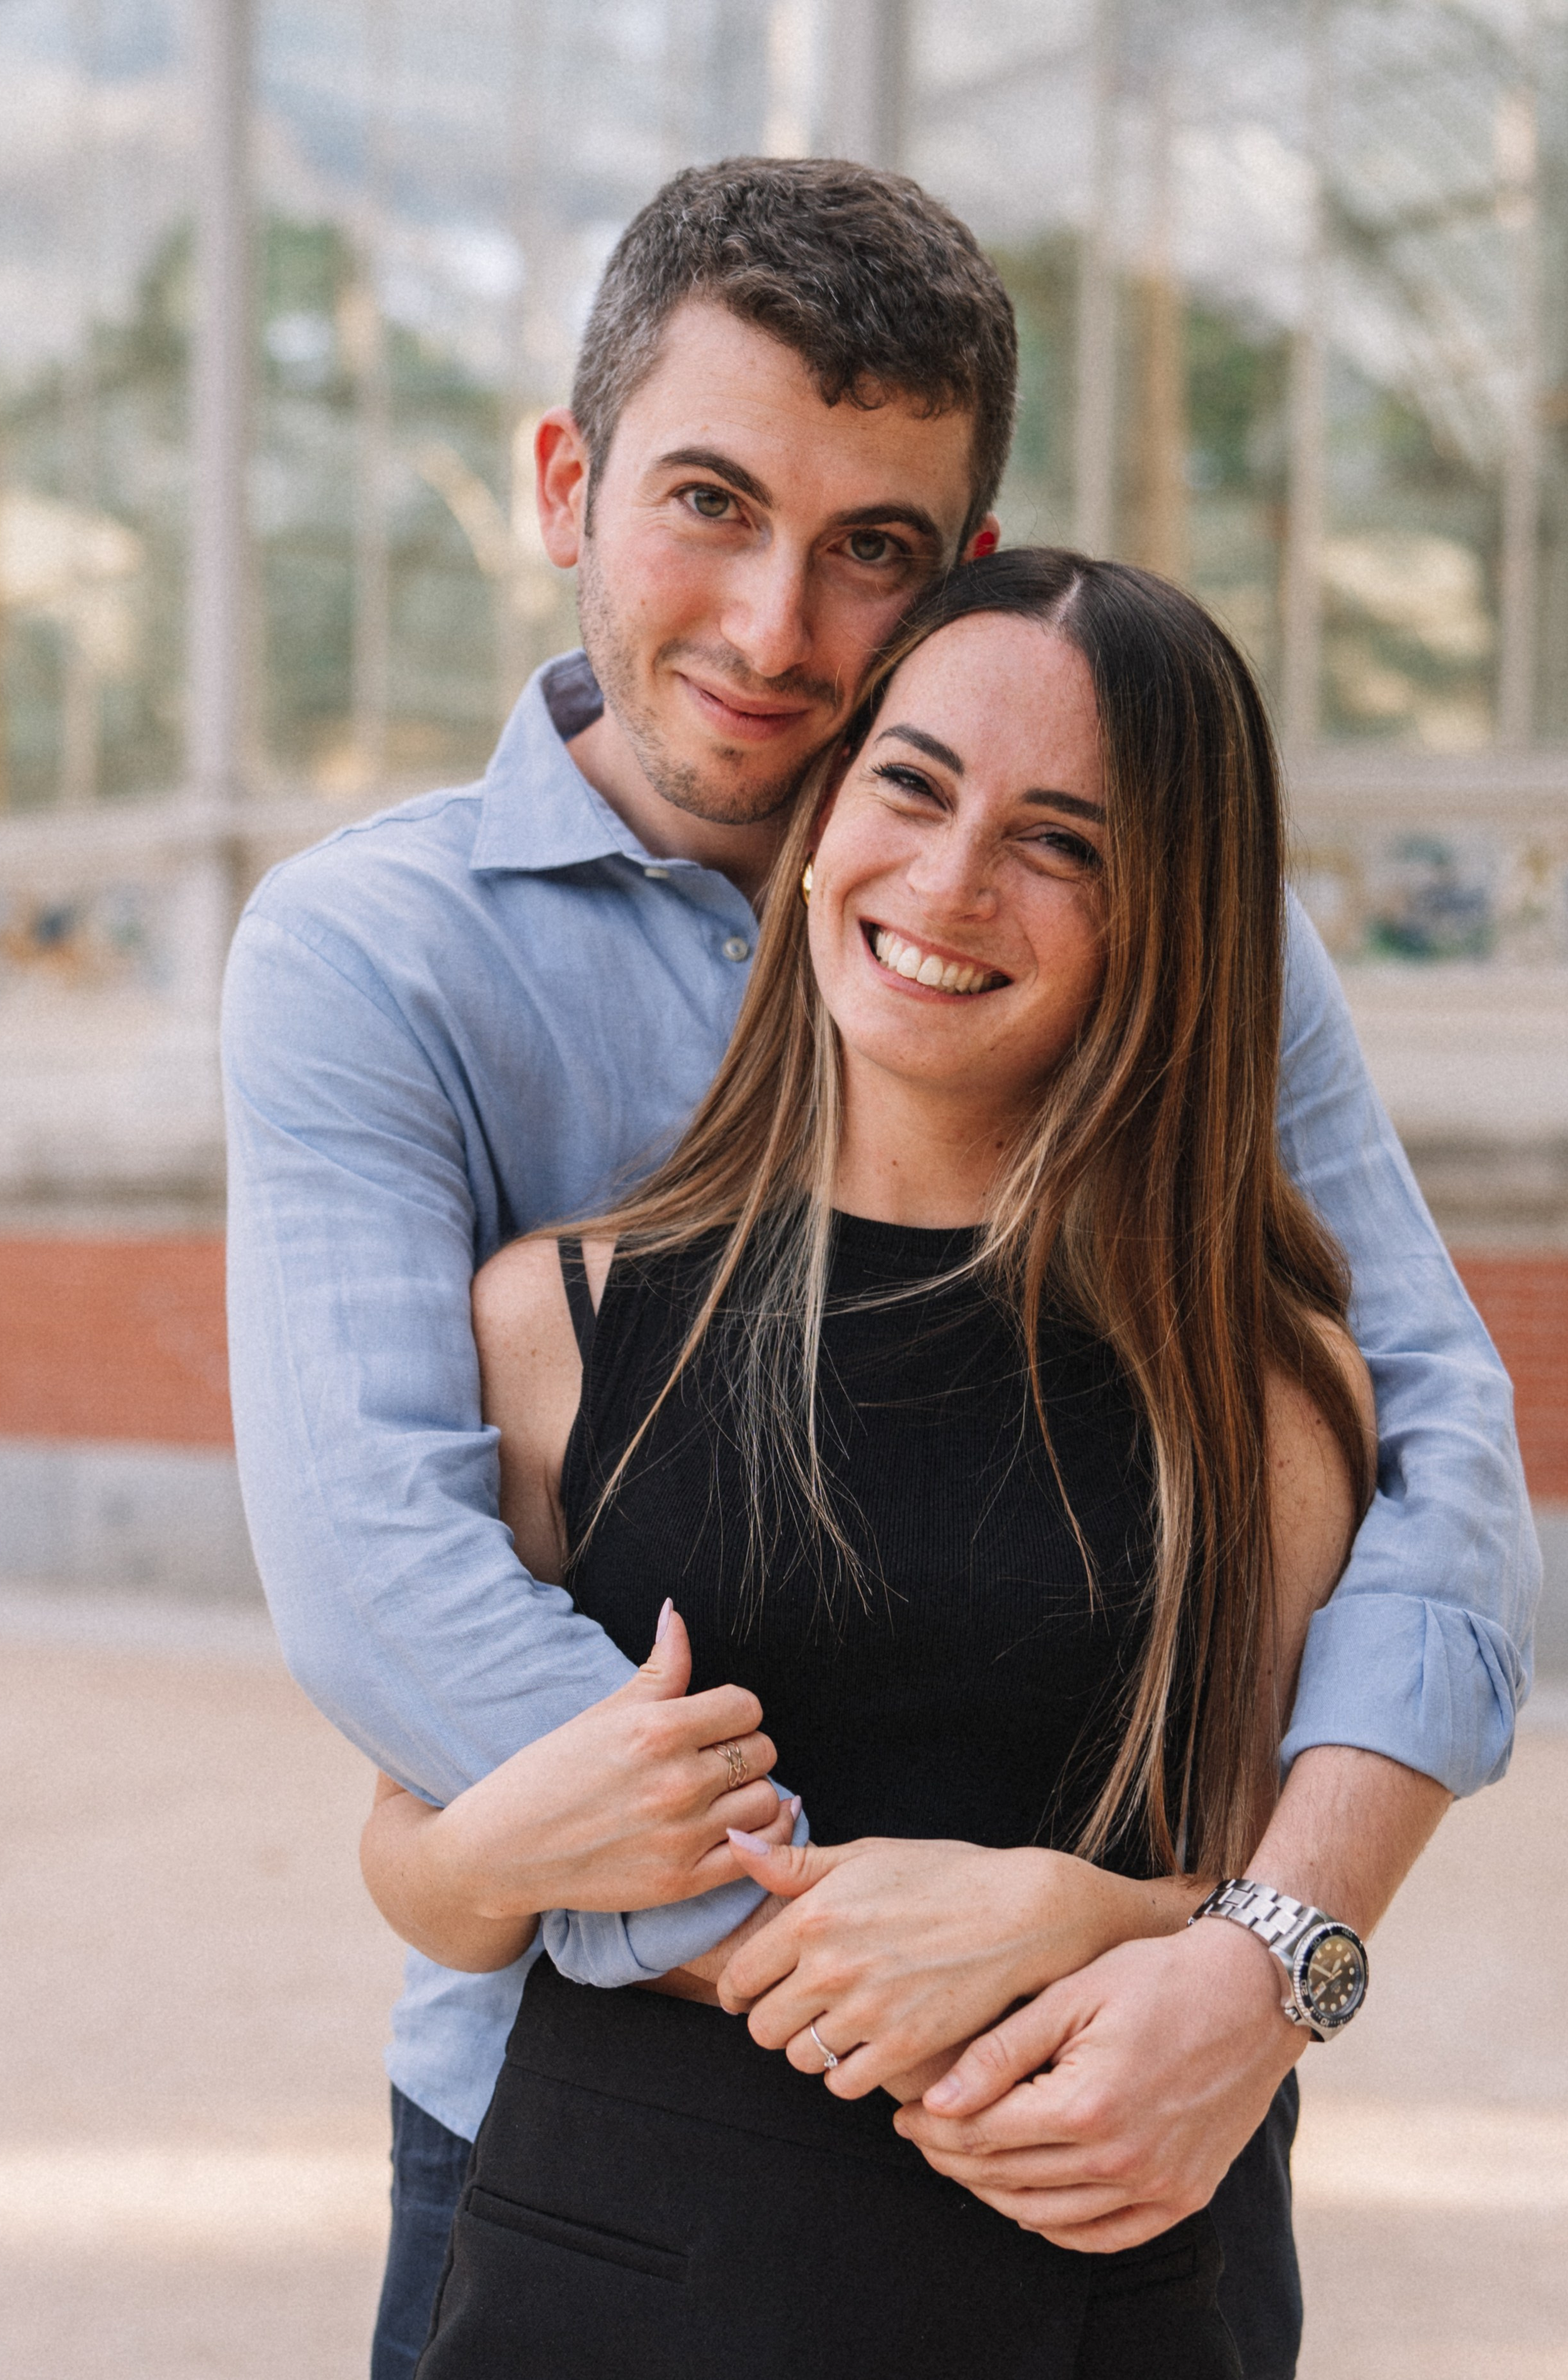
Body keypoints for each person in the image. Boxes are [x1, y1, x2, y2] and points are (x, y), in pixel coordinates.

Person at [219, 159, 1539, 2380]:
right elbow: (384, 1586)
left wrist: (1249, 1960)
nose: (772, 630)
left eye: (873, 556)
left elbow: (1439, 1454)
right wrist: (888, 1963)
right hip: (580, 2143)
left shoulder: (1175, 933)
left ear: (965, 575)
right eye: (710, 504)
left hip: (1122, 2122)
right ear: (566, 481)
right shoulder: (379, 955)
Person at [360, 547, 1379, 2378]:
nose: (952, 879)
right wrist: (516, 1834)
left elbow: (1252, 1891)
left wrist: (1074, 1910)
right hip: (608, 2286)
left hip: (1085, 2294)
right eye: (911, 784)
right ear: (822, 818)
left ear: (1172, 920)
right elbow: (425, 1880)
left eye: (1062, 840)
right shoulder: (554, 1323)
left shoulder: (1266, 1389)